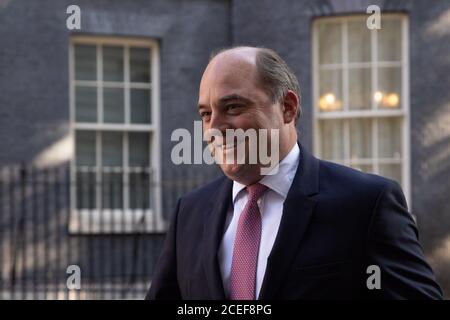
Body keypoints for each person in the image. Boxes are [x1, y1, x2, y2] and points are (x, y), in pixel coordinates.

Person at [145, 46, 443, 299]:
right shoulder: (190, 212)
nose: (214, 129)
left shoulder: (367, 204)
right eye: (206, 114)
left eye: (233, 107)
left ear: (287, 107)